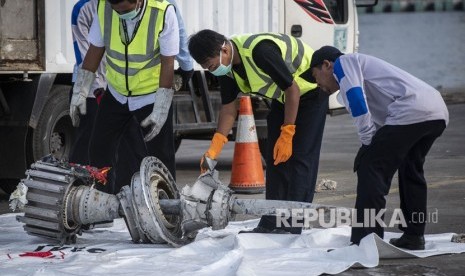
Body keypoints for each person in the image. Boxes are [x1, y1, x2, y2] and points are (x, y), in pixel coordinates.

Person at [188, 30, 329, 234]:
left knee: (300, 160)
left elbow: (293, 89)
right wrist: (214, 150)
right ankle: (271, 221)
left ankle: (293, 225)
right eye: (207, 69)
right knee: (275, 160)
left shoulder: (260, 52)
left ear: (224, 50)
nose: (212, 71)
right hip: (284, 99)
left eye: (211, 66)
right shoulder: (227, 68)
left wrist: (288, 132)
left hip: (310, 92)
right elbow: (229, 108)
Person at [309, 46, 449, 249]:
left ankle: (366, 240)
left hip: (410, 110)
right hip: (436, 111)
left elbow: (358, 100)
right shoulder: (359, 69)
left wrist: (367, 145)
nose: (318, 84)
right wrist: (369, 143)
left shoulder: (344, 63)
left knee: (370, 168)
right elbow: (381, 124)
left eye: (316, 77)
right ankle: (414, 235)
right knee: (411, 170)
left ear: (326, 65)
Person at [70, 0, 180, 194]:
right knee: (99, 147)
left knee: (160, 155)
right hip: (117, 93)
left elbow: (167, 63)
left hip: (151, 95)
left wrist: (161, 108)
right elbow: (95, 49)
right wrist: (80, 90)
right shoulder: (104, 7)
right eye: (116, 10)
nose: (120, 14)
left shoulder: (162, 12)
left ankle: (167, 208)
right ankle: (101, 202)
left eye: (125, 11)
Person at [70, 0, 144, 195]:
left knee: (133, 145)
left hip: (127, 89)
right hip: (94, 90)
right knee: (89, 145)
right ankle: (81, 194)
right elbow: (85, 57)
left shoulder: (141, 7)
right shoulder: (83, 9)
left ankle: (129, 195)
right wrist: (95, 91)